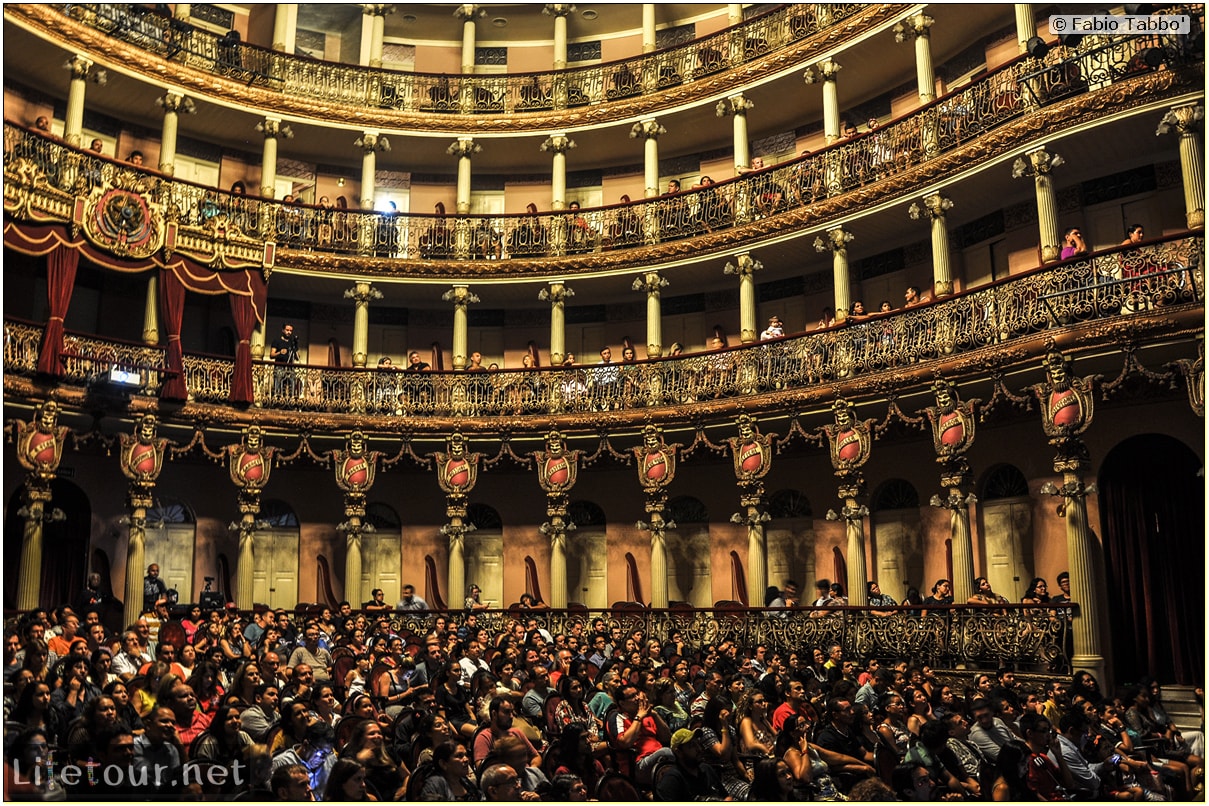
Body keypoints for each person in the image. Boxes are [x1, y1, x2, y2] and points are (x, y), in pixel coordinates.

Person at [653, 728, 729, 801]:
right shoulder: (671, 780)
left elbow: (726, 796)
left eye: (698, 744)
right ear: (679, 752)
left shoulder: (706, 769)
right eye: (692, 746)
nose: (699, 749)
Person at [270, 323, 300, 399]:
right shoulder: (277, 341)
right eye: (287, 330)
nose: (289, 332)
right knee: (278, 383)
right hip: (280, 367)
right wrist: (280, 352)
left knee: (292, 383)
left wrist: (295, 348)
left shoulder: (292, 342)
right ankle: (277, 400)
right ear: (283, 330)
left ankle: (292, 399)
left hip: (290, 367)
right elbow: (271, 355)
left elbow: (298, 357)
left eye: (290, 330)